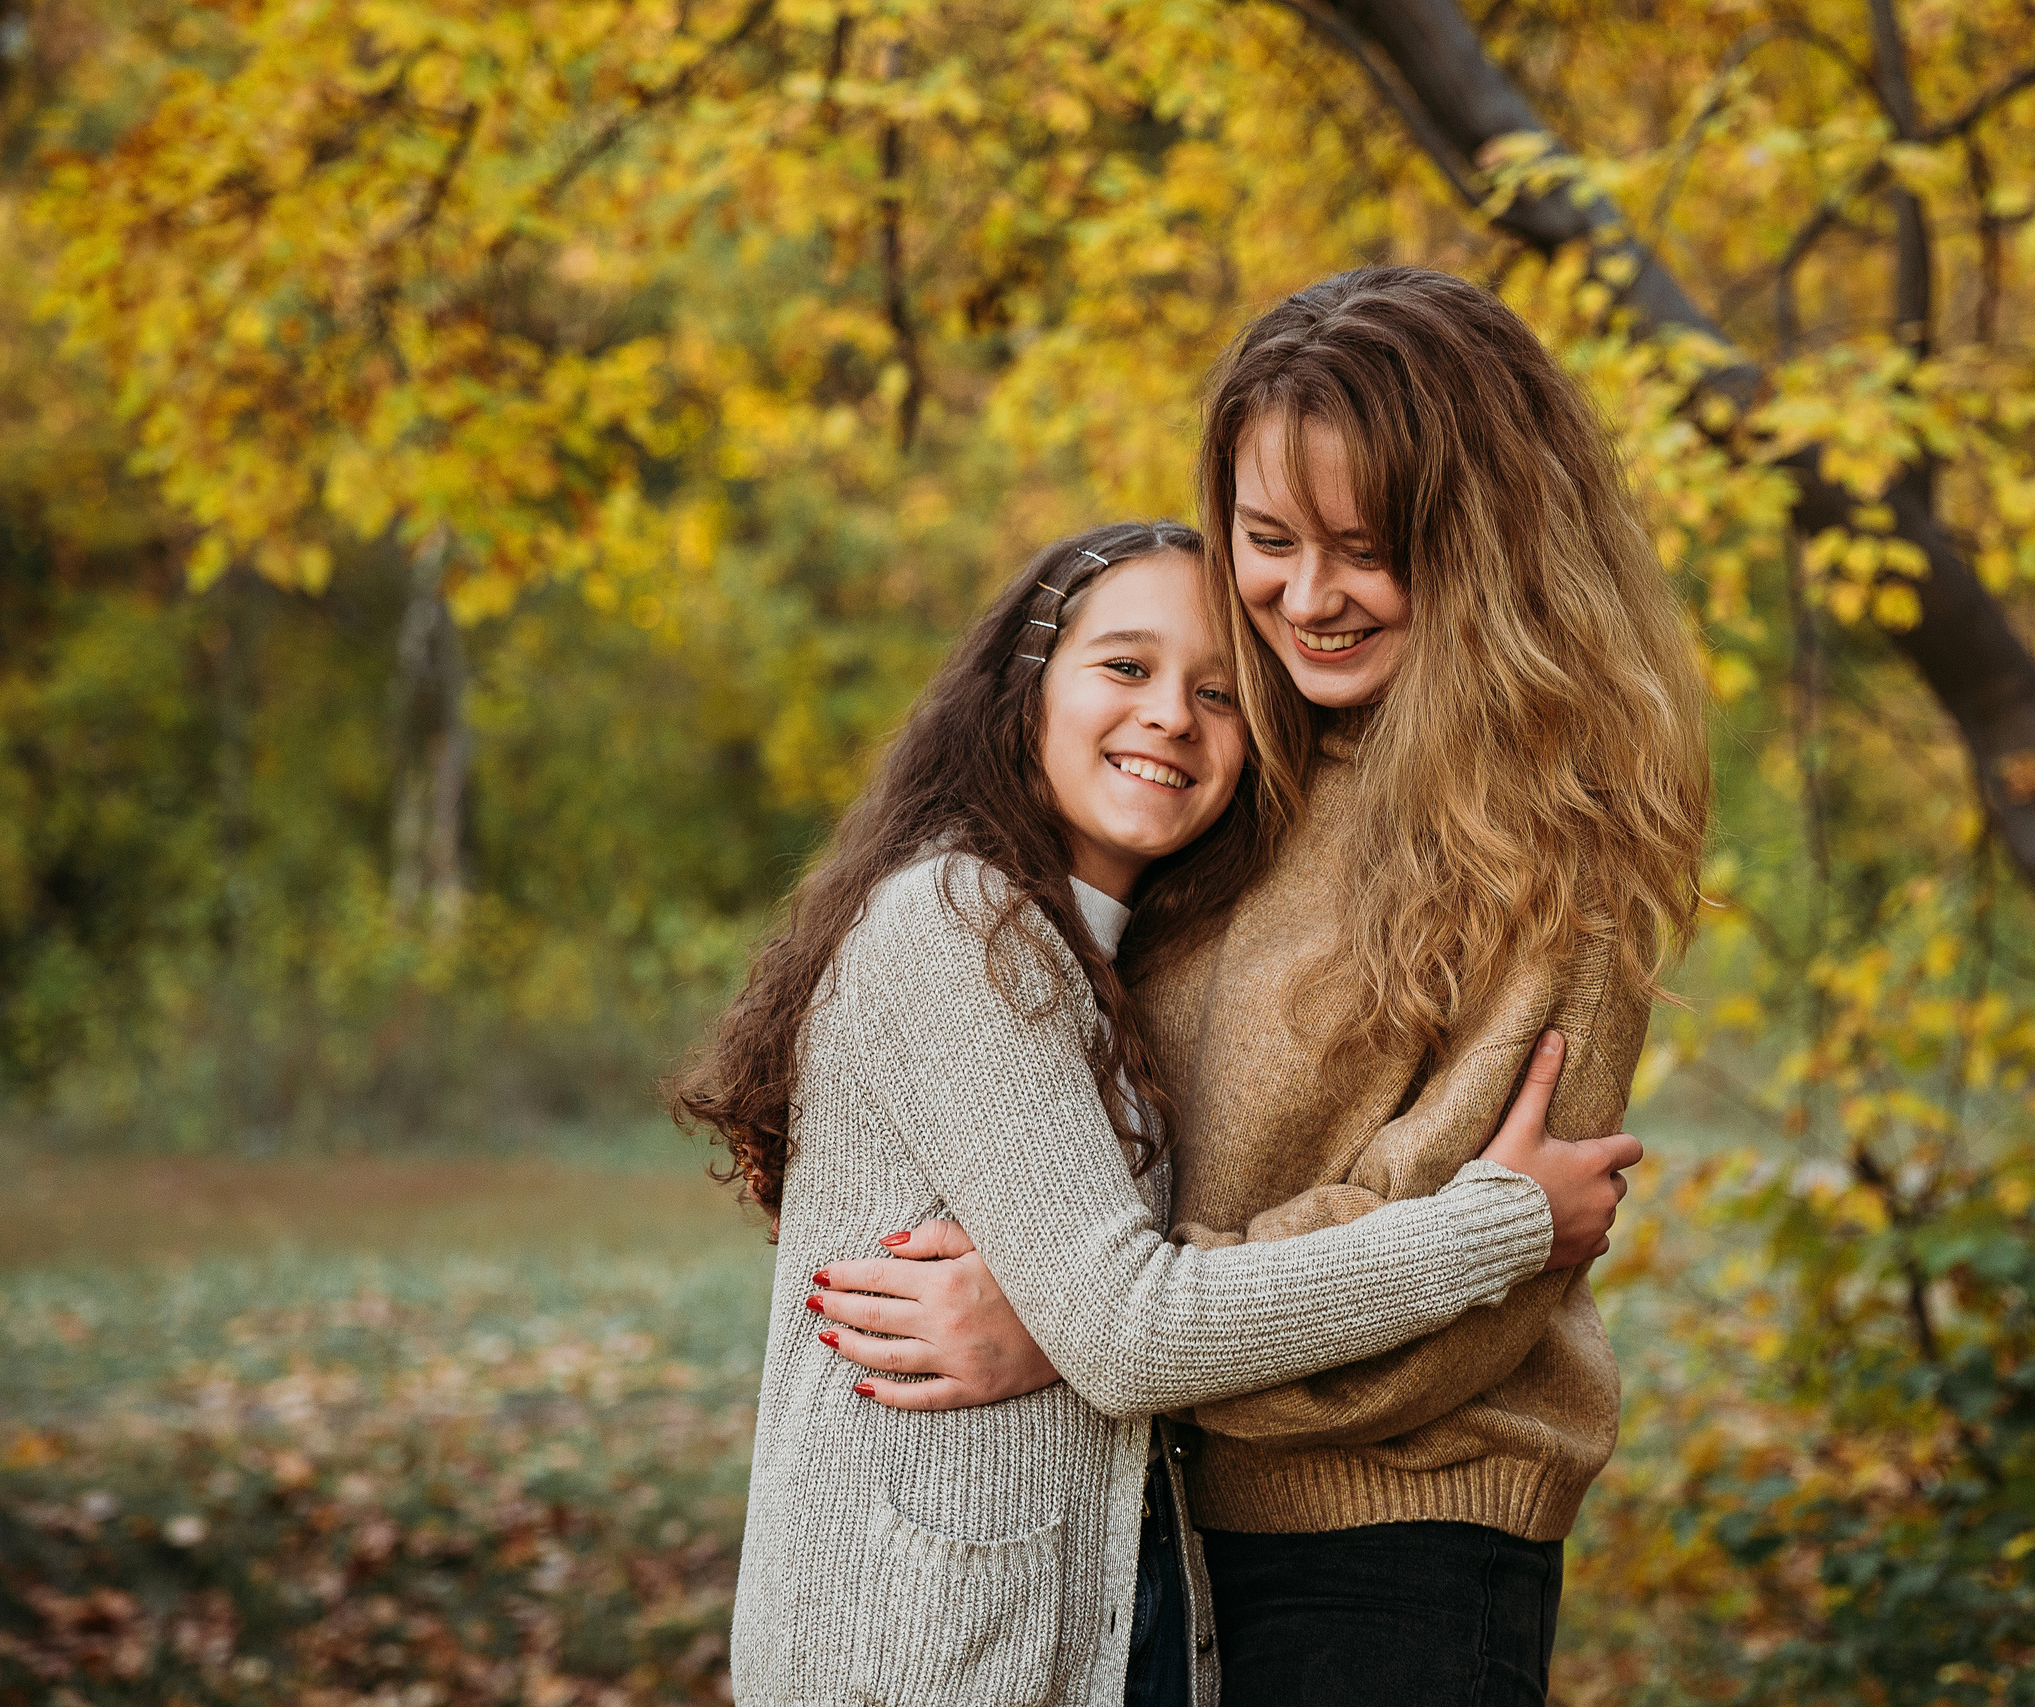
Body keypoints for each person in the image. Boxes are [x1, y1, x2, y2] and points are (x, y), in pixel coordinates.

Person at [816, 269, 1712, 1705]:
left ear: (1485, 541)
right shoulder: (1231, 777)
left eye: (1366, 548)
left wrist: (1080, 1330)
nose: (1306, 595)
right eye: (1268, 538)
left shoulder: (1548, 844)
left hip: (1396, 1549)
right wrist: (1100, 1317)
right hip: (1156, 1534)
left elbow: (1463, 1272)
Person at [673, 517, 1647, 1707]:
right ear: (1023, 689)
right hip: (916, 1661)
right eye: (1125, 667)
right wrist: (1499, 1224)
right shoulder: (959, 924)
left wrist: (1054, 1321)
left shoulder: (1096, 967)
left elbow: (1093, 1326)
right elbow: (1125, 1331)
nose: (1172, 717)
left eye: (1222, 694)